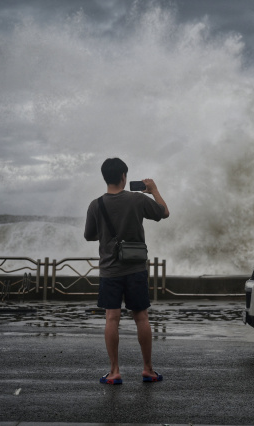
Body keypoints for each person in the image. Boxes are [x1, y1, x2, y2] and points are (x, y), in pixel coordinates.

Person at [84, 157, 170, 385]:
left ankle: (114, 372)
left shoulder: (96, 204)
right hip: (135, 268)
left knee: (112, 318)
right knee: (141, 317)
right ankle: (148, 370)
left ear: (105, 177)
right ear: (124, 176)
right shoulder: (137, 199)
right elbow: (164, 213)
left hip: (110, 270)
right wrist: (154, 190)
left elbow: (89, 235)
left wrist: (106, 232)